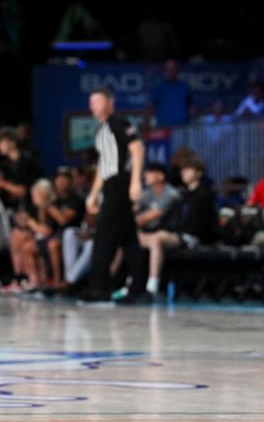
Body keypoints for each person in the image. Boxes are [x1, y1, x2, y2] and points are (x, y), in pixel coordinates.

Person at [82, 88, 145, 303]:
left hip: (121, 184)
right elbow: (103, 165)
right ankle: (138, 289)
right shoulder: (102, 130)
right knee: (129, 240)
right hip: (111, 184)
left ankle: (99, 289)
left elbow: (137, 149)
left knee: (104, 237)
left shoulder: (119, 123)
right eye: (91, 102)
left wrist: (135, 182)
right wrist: (93, 194)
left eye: (97, 101)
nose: (93, 106)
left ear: (110, 103)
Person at [126, 159, 215, 303]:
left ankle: (152, 286)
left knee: (156, 238)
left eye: (188, 170)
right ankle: (129, 284)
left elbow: (200, 225)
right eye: (183, 170)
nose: (184, 173)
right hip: (175, 234)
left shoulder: (203, 194)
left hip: (192, 238)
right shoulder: (184, 194)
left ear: (199, 173)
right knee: (131, 238)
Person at [120, 162, 181, 305]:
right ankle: (126, 285)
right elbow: (132, 212)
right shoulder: (146, 194)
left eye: (149, 173)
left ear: (160, 176)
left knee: (155, 239)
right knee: (126, 238)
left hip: (172, 235)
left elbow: (148, 218)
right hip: (148, 234)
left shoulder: (171, 194)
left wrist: (130, 220)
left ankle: (152, 287)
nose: (145, 176)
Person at [0, 126, 40, 208]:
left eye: (1, 142)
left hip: (33, 205)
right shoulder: (6, 164)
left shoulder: (27, 160)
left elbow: (23, 191)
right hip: (16, 207)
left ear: (12, 142)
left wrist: (1, 183)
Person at [149, 59, 192, 127]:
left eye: (173, 70)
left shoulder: (185, 86)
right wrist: (148, 127)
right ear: (164, 71)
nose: (171, 72)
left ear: (177, 71)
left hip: (183, 127)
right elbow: (150, 107)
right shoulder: (158, 86)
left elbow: (190, 105)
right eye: (168, 70)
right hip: (163, 127)